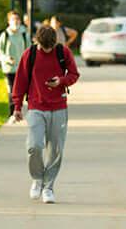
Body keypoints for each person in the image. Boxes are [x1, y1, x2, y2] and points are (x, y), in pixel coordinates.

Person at [12, 23, 80, 204]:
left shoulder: (63, 52)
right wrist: (17, 106)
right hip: (36, 107)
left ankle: (48, 187)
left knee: (56, 149)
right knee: (34, 146)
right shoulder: (30, 54)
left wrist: (61, 81)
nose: (48, 50)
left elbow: (74, 74)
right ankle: (37, 179)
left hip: (59, 107)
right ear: (37, 42)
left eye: (50, 47)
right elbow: (20, 81)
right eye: (44, 48)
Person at [0, 10, 30, 122]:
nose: (15, 21)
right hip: (9, 69)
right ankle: (12, 114)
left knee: (22, 92)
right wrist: (7, 58)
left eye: (17, 19)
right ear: (8, 21)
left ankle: (19, 111)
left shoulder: (25, 34)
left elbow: (30, 50)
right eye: (13, 19)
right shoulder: (5, 35)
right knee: (12, 91)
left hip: (22, 69)